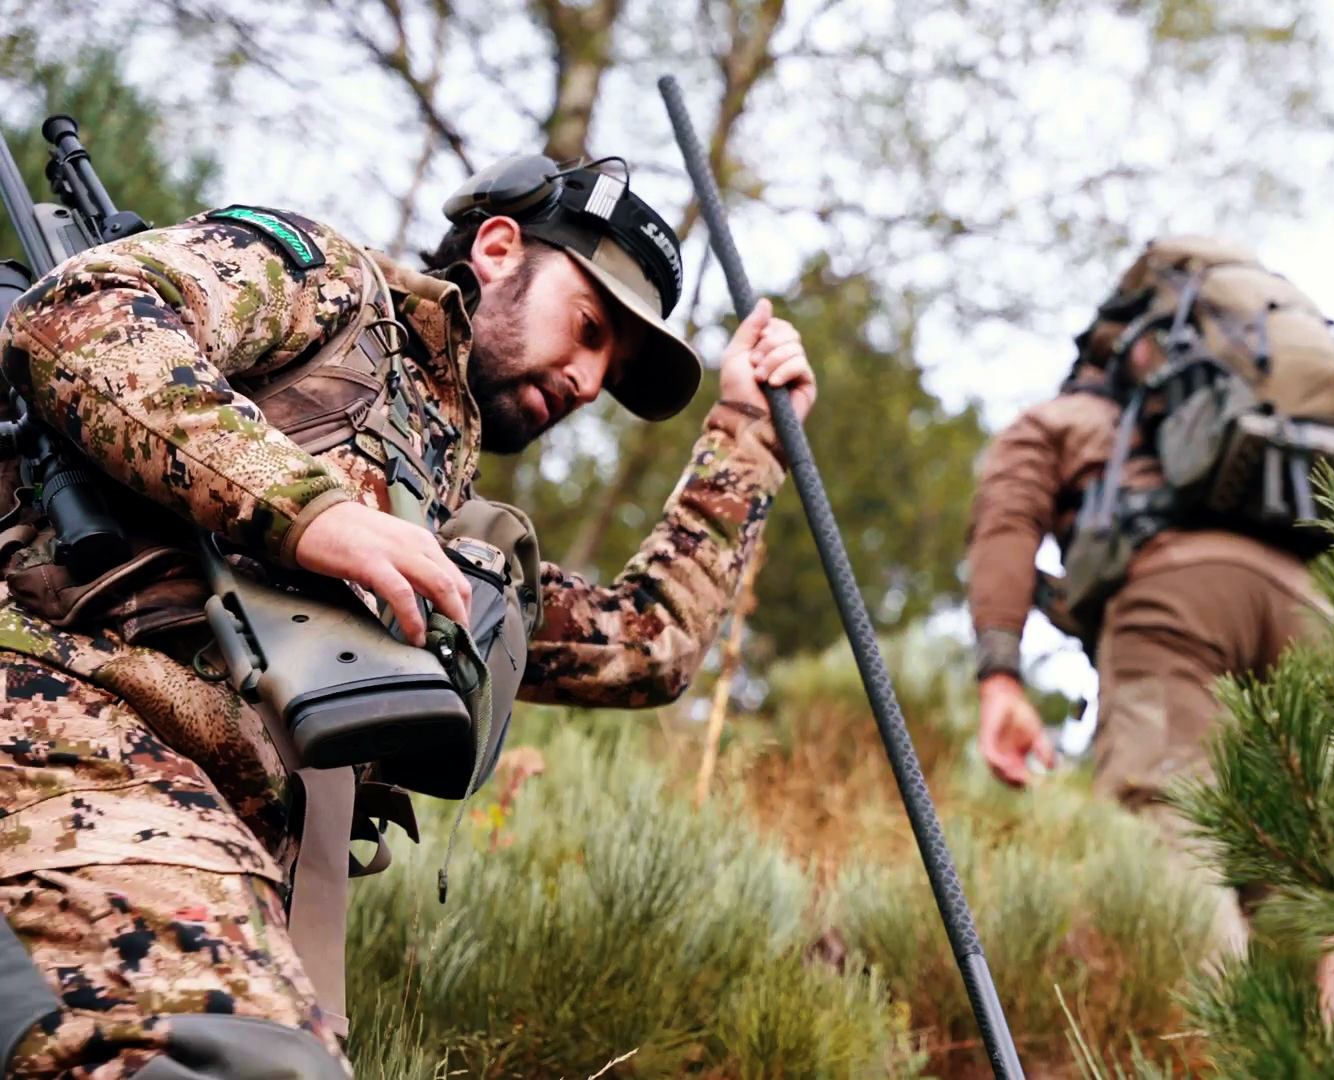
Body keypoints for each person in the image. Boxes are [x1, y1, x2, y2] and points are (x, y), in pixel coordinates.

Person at [0, 155, 816, 1078]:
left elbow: (642, 644)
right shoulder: (331, 284)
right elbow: (78, 313)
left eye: (611, 373)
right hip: (73, 733)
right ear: (501, 248)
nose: (589, 383)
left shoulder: (433, 509)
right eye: (588, 330)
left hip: (202, 847)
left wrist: (746, 432)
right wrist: (313, 512)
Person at [965, 235, 1334, 969]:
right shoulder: (1261, 426)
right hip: (1311, 607)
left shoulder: (1063, 422)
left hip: (1176, 605)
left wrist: (1000, 672)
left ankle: (1197, 1057)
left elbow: (1006, 523)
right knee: (1314, 874)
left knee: (1169, 831)